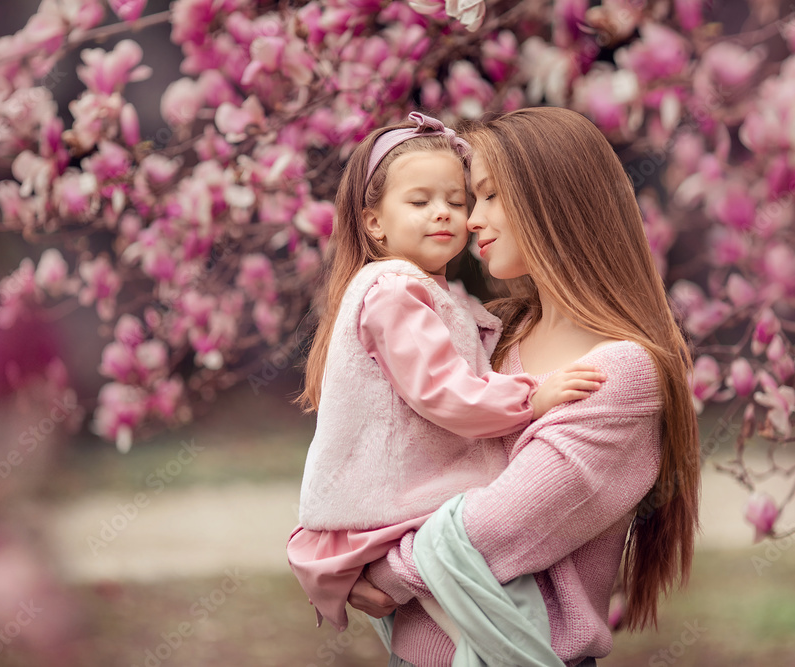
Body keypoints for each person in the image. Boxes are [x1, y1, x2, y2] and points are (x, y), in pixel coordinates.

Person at [347, 107, 701, 667]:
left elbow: (500, 527)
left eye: (487, 196)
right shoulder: (496, 333)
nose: (468, 220)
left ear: (552, 201)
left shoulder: (623, 373)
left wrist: (383, 573)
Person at [287, 112, 606, 637]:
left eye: (457, 202)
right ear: (374, 223)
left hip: (410, 501)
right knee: (511, 621)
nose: (446, 215)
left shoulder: (428, 293)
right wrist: (533, 398)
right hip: (400, 498)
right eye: (420, 202)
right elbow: (444, 393)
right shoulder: (394, 292)